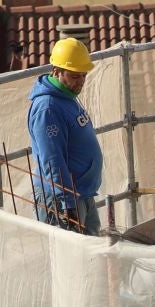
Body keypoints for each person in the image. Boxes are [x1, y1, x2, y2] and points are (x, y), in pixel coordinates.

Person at [28, 37, 103, 234]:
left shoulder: (66, 98)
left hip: (81, 193)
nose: (81, 82)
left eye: (83, 76)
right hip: (62, 199)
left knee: (92, 255)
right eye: (74, 76)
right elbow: (52, 161)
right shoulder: (48, 109)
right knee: (70, 260)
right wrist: (67, 205)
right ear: (56, 71)